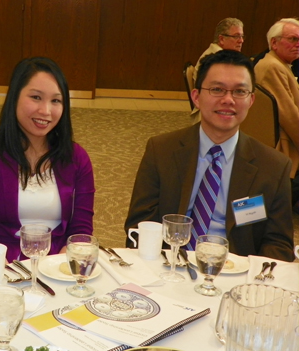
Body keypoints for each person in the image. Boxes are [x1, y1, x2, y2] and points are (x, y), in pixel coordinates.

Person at [124, 50, 295, 262]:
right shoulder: (161, 150)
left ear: (251, 100)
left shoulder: (273, 166)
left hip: (235, 272)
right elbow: (140, 224)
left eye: (239, 92)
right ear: (196, 97)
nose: (228, 100)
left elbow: (278, 243)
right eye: (217, 89)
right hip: (171, 265)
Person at [0, 57, 95, 263]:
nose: (46, 111)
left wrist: (60, 265)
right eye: (36, 97)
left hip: (57, 265)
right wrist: (1, 268)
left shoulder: (76, 158)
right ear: (14, 97)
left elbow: (81, 231)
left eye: (56, 100)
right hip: (0, 265)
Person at [254, 18, 299, 204]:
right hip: (281, 145)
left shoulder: (279, 64)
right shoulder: (272, 67)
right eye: (293, 39)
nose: (298, 45)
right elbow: (290, 118)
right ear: (274, 42)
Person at [191, 18, 244, 123]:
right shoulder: (216, 61)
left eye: (242, 36)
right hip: (212, 114)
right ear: (221, 39)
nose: (241, 41)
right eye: (236, 36)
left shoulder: (219, 55)